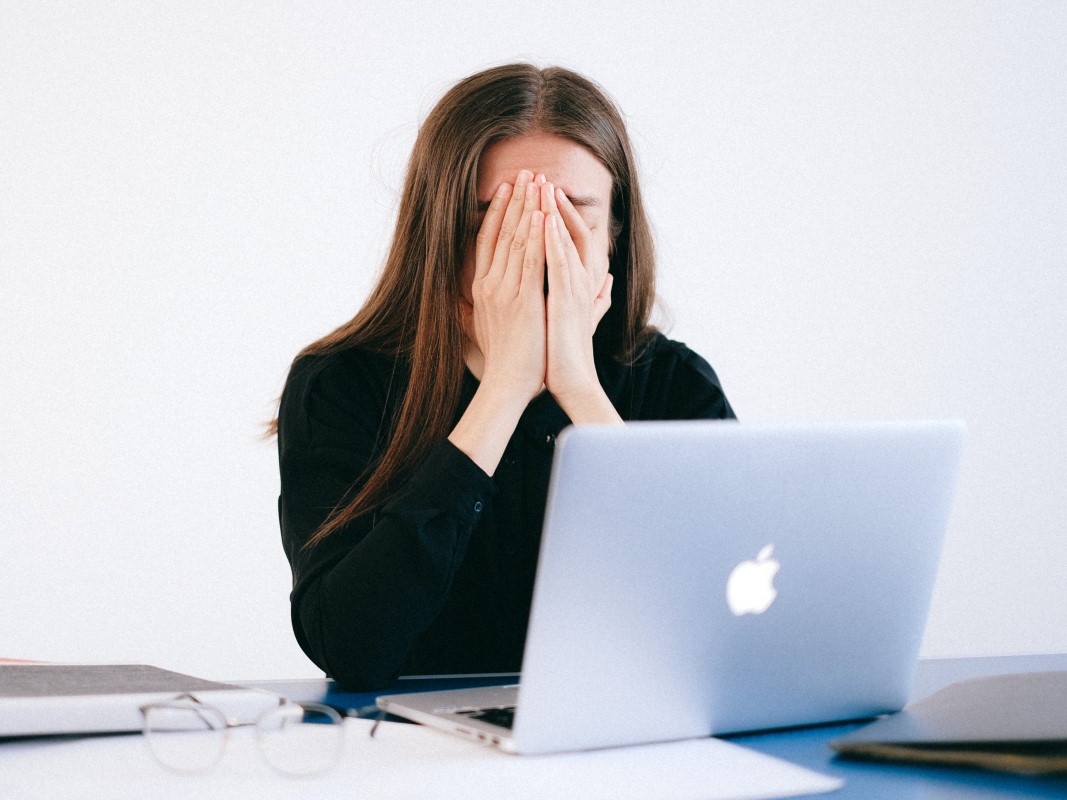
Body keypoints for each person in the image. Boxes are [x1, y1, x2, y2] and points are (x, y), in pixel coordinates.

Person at [274, 63, 735, 690]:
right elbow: (352, 646)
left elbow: (719, 624)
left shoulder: (675, 383)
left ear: (614, 238)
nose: (537, 250)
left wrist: (578, 387)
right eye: (495, 223)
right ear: (440, 235)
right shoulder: (340, 385)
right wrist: (504, 390)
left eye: (572, 218)